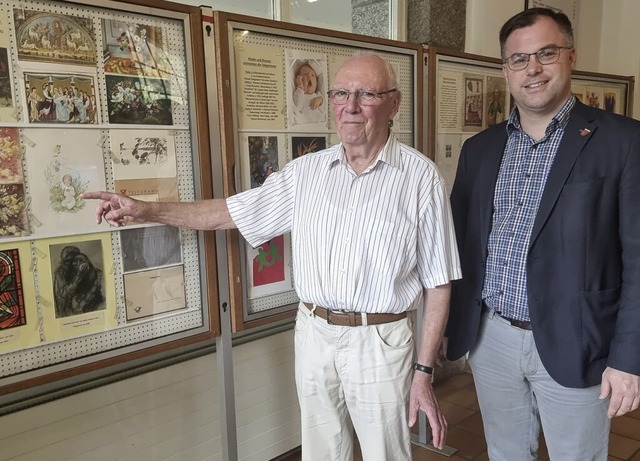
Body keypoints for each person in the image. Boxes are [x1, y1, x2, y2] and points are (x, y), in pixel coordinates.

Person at [83, 53, 461, 460]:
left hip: (381, 340)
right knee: (321, 452)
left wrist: (423, 372)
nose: (350, 106)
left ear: (393, 103)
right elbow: (229, 212)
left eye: (366, 94)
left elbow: (438, 283)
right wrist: (146, 209)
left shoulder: (421, 180)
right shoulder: (307, 173)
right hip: (315, 333)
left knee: (384, 453)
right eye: (340, 93)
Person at [445, 8, 640, 461]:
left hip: (580, 342)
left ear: (570, 57)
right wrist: (452, 328)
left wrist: (629, 359)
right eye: (518, 59)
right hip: (491, 337)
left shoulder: (624, 143)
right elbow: (462, 248)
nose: (532, 69)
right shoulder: (480, 150)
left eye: (545, 54)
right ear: (505, 70)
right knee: (506, 453)